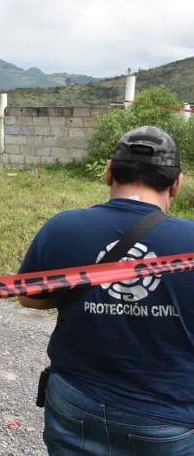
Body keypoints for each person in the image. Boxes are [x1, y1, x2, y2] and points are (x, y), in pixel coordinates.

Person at [18, 126, 194, 455]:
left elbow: (29, 297)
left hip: (75, 402)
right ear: (177, 183)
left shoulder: (63, 227)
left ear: (108, 172)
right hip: (168, 418)